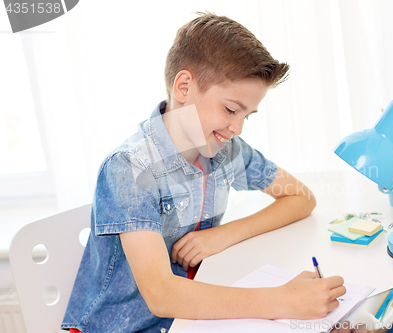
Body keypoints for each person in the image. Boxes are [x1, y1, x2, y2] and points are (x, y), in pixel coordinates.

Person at [62, 12, 346, 333]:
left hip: (191, 316)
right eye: (230, 109)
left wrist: (222, 236)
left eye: (247, 116)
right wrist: (282, 300)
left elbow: (301, 197)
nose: (237, 128)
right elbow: (161, 295)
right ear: (184, 86)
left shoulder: (225, 150)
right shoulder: (129, 168)